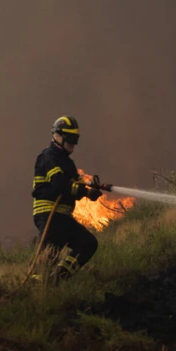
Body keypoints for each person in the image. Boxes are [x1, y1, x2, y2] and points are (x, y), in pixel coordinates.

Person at [31, 116, 106, 279]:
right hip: (49, 214)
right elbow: (59, 183)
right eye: (70, 138)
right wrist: (85, 192)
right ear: (58, 136)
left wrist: (91, 190)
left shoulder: (68, 163)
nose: (73, 143)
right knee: (46, 260)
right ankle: (34, 291)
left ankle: (59, 278)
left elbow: (77, 187)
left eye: (75, 139)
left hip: (63, 217)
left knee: (88, 244)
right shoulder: (48, 157)